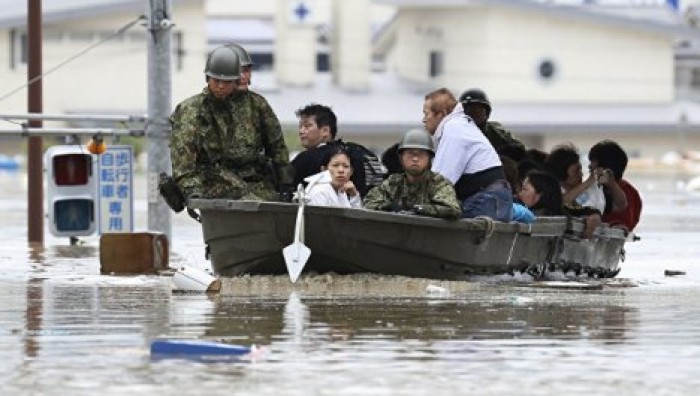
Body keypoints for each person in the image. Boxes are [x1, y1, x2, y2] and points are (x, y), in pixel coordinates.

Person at [169, 46, 292, 201]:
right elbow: (183, 162)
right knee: (249, 204)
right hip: (213, 182)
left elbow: (277, 146)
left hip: (254, 180)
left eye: (226, 82)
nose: (221, 86)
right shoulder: (192, 110)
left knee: (276, 208)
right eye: (217, 81)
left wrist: (286, 182)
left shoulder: (257, 105)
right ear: (208, 78)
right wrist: (192, 192)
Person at [423, 88, 512, 222]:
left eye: (426, 114)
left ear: (441, 114)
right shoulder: (462, 126)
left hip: (484, 200)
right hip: (496, 198)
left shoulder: (454, 129)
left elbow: (442, 180)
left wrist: (417, 204)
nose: (424, 120)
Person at [363, 129, 461, 220]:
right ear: (401, 158)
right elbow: (368, 202)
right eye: (410, 153)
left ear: (429, 159)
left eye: (421, 154)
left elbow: (452, 209)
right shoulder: (393, 183)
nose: (415, 159)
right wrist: (389, 207)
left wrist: (420, 210)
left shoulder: (438, 183)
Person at [291, 103, 384, 197]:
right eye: (300, 127)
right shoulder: (363, 153)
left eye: (307, 126)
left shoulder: (305, 159)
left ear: (325, 130)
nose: (301, 131)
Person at [588, 140, 642, 232]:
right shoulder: (595, 190)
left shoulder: (626, 192)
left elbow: (622, 225)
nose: (589, 166)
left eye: (593, 161)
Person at [459, 88, 526, 153]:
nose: (475, 112)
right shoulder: (454, 132)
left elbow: (520, 151)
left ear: (486, 112)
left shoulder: (496, 132)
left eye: (479, 108)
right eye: (470, 109)